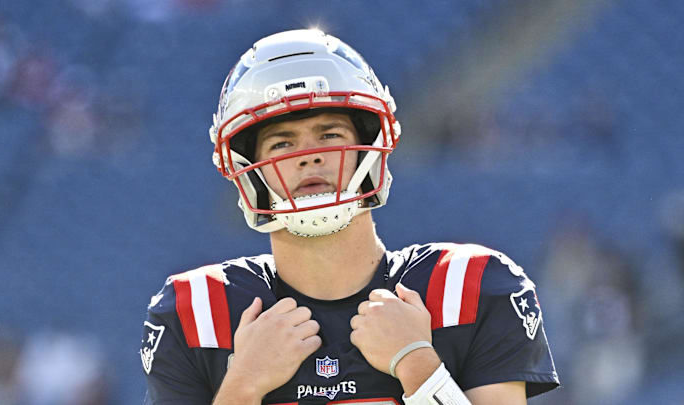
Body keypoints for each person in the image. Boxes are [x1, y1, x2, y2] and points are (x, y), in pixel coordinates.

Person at [140, 29, 559, 405]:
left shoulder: (469, 286)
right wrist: (243, 386)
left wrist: (419, 367)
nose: (312, 156)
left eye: (330, 134)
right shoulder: (196, 311)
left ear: (369, 146)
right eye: (283, 143)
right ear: (251, 170)